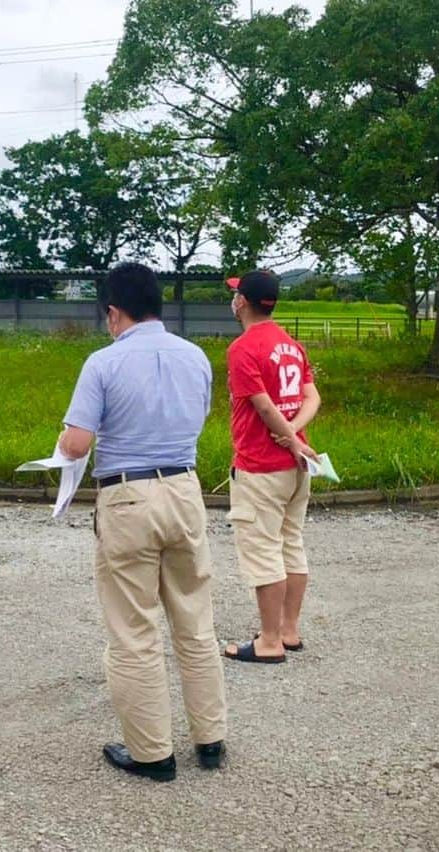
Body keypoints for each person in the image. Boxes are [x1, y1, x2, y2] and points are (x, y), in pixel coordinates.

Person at [57, 262, 227, 783]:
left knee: (134, 628)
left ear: (113, 312)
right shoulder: (196, 357)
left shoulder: (103, 363)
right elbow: (196, 419)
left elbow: (76, 443)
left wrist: (65, 442)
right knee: (195, 620)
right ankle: (210, 740)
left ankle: (153, 753)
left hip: (128, 495)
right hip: (184, 487)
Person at [223, 270, 320, 665]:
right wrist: (298, 436)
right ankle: (288, 630)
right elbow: (313, 396)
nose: (233, 300)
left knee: (263, 549)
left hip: (261, 465)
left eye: (235, 295)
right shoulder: (291, 345)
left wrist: (288, 437)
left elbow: (262, 406)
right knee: (291, 543)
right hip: (298, 466)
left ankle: (268, 641)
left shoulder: (244, 348)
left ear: (243, 302)